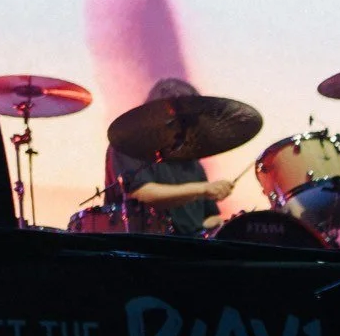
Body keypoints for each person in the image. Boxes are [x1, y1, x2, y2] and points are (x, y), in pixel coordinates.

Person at [105, 76, 244, 237]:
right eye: (179, 121)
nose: (184, 128)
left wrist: (219, 225)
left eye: (189, 122)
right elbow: (142, 194)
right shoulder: (128, 144)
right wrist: (204, 188)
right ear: (155, 116)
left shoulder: (190, 159)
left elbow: (208, 217)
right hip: (142, 247)